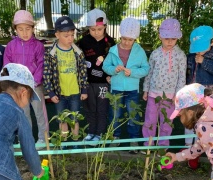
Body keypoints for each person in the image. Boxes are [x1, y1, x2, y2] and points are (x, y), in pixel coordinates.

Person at [183, 25, 213, 169]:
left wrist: (205, 61)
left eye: (202, 47)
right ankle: (187, 148)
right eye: (196, 47)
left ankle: (203, 151)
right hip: (192, 91)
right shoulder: (191, 55)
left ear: (212, 42)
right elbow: (187, 73)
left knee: (207, 121)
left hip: (210, 92)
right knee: (190, 118)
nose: (199, 51)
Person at [102, 17, 150, 153]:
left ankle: (134, 140)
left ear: (135, 39)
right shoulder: (113, 50)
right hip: (116, 89)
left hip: (132, 90)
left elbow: (146, 69)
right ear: (120, 36)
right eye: (124, 38)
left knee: (133, 115)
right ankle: (115, 138)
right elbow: (106, 66)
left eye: (130, 39)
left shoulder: (139, 51)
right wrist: (113, 70)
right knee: (115, 114)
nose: (127, 42)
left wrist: (133, 72)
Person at [4, 10, 48, 148]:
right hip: (18, 86)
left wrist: (34, 81)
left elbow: (41, 64)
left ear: (33, 28)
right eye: (20, 29)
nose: (24, 32)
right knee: (23, 114)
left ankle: (43, 139)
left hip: (35, 86)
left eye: (28, 29)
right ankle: (27, 140)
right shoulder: (11, 46)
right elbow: (7, 64)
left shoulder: (38, 46)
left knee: (40, 113)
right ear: (15, 29)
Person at [142, 19, 186, 156]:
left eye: (173, 38)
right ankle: (147, 145)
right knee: (150, 120)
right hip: (153, 94)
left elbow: (181, 77)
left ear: (177, 38)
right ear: (160, 36)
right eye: (167, 38)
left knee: (166, 123)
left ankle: (162, 147)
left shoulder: (180, 55)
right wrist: (146, 89)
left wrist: (178, 96)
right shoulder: (155, 54)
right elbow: (149, 73)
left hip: (171, 96)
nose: (170, 41)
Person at [43, 16, 88, 149]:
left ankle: (74, 141)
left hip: (75, 92)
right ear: (57, 34)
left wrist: (84, 89)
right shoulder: (51, 53)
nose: (70, 38)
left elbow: (83, 71)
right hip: (59, 93)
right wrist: (50, 92)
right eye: (66, 35)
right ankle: (63, 141)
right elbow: (47, 74)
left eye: (72, 35)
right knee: (62, 119)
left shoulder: (78, 52)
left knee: (75, 118)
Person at [77, 8, 116, 144]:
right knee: (90, 108)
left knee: (102, 109)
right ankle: (91, 132)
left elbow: (115, 62)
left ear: (105, 27)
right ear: (88, 28)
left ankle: (99, 133)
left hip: (103, 83)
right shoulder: (83, 42)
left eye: (99, 29)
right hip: (87, 83)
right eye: (92, 29)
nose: (96, 32)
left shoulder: (110, 43)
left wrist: (111, 75)